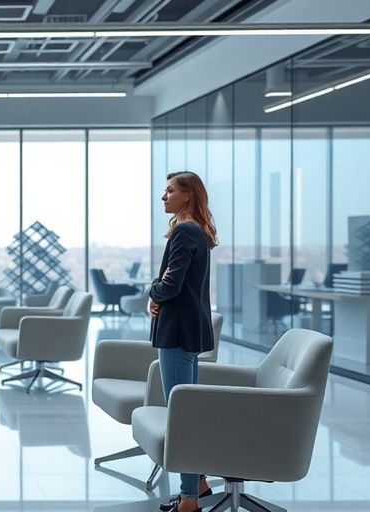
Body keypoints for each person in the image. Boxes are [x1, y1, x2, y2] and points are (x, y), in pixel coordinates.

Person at [148, 171, 218, 512]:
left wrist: (153, 291)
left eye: (170, 190)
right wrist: (159, 289)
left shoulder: (185, 231)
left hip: (176, 331)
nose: (164, 196)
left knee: (180, 415)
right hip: (188, 330)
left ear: (188, 195)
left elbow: (169, 285)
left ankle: (189, 497)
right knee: (187, 409)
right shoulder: (197, 231)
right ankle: (198, 482)